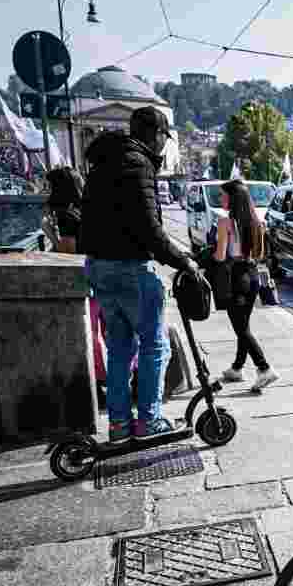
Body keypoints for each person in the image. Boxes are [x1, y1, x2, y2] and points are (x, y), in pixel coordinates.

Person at [82, 107, 201, 443]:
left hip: (100, 268)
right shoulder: (138, 164)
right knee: (154, 346)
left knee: (120, 348)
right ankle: (149, 421)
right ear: (157, 134)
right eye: (165, 137)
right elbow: (149, 228)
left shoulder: (103, 162)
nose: (164, 144)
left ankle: (119, 425)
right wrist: (184, 262)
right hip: (131, 267)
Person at [46, 167, 110, 408]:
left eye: (50, 186)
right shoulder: (88, 207)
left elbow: (68, 253)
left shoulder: (65, 216)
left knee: (88, 335)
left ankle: (98, 387)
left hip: (83, 281)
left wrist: (50, 235)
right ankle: (124, 381)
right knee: (110, 332)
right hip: (103, 274)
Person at [215, 179, 279, 392]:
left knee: (241, 328)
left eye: (223, 195)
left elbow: (220, 255)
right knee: (244, 325)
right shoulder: (256, 221)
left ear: (232, 199)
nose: (221, 198)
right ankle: (237, 368)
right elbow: (260, 254)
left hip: (236, 277)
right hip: (252, 277)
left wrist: (210, 253)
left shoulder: (225, 222)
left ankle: (264, 368)